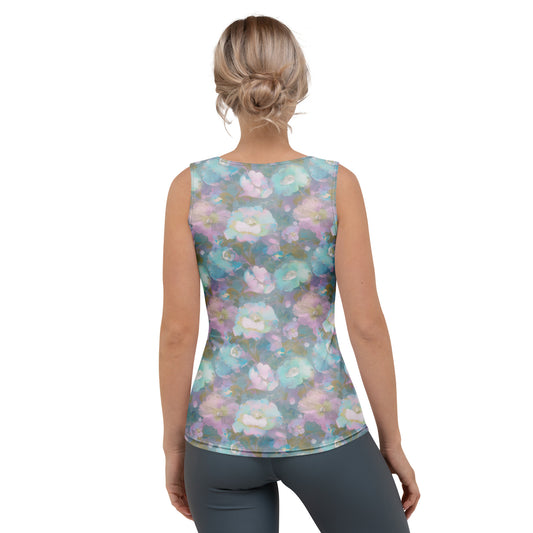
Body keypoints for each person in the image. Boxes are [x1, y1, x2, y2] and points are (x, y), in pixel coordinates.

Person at [159, 14, 420, 533]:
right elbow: (367, 326)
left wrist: (174, 447)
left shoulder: (190, 187)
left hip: (219, 436)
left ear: (223, 87)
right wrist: (391, 443)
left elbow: (177, 332)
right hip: (325, 429)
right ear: (297, 82)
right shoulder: (334, 184)